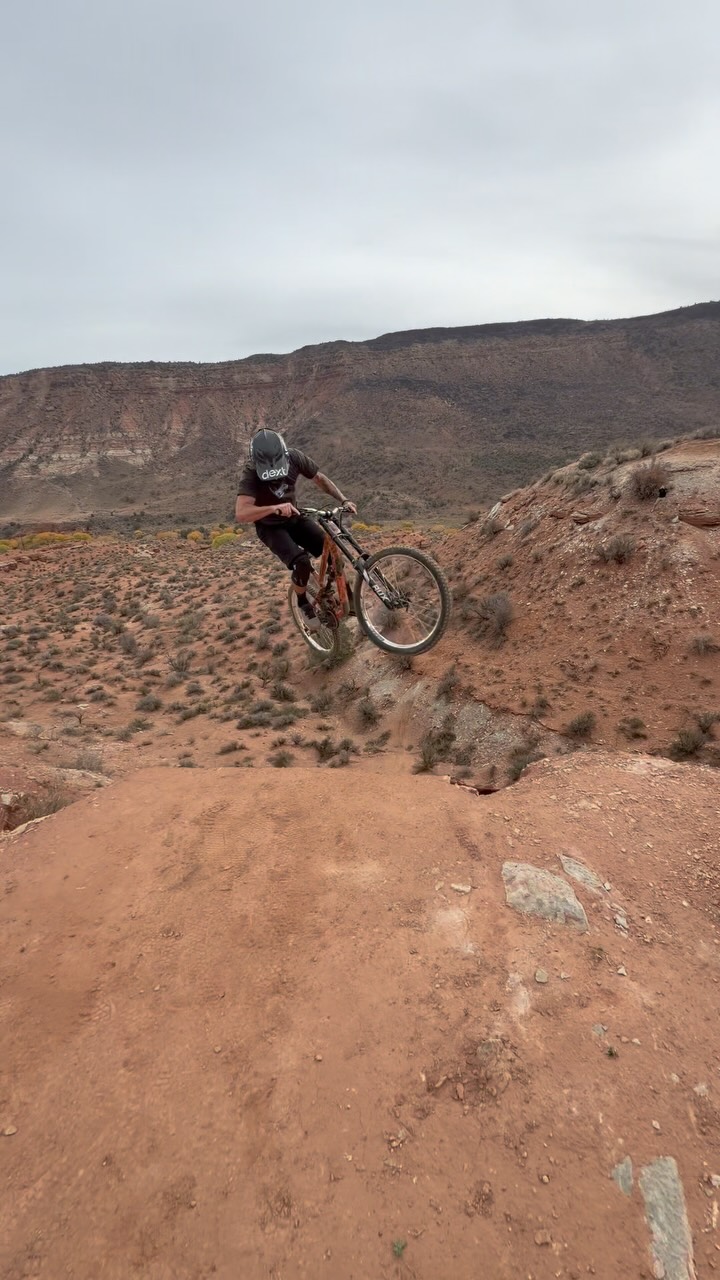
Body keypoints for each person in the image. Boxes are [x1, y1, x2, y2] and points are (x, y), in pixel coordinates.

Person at [235, 429, 356, 627]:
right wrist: (273, 508)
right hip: (270, 527)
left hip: (294, 518)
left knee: (333, 551)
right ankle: (302, 602)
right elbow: (241, 513)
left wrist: (343, 500)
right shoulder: (251, 472)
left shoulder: (294, 458)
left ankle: (345, 595)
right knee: (302, 562)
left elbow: (320, 479)